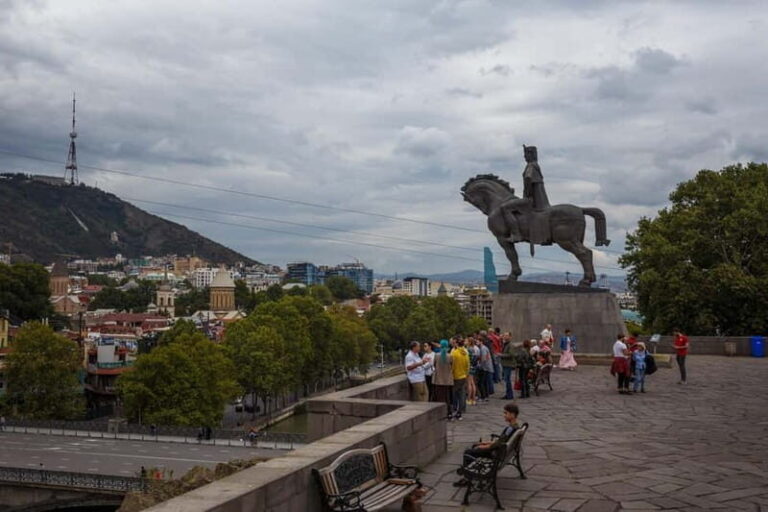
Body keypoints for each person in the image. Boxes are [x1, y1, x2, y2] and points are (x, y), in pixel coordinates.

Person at [454, 403, 521, 487]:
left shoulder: (510, 429)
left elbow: (499, 444)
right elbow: (501, 441)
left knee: (468, 452)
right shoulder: (515, 427)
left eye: (505, 413)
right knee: (475, 447)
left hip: (495, 455)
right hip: (501, 454)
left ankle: (468, 477)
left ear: (512, 414)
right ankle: (468, 475)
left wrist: (484, 446)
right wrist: (485, 443)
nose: (504, 415)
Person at [432, 339, 454, 419]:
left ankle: (440, 413)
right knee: (447, 397)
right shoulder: (450, 356)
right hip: (447, 379)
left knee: (439, 397)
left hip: (438, 379)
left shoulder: (437, 355)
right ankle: (449, 413)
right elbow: (452, 366)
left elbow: (434, 365)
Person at [450, 337, 469, 420]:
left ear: (457, 344)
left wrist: (451, 373)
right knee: (461, 395)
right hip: (463, 376)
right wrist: (466, 374)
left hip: (455, 376)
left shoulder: (454, 353)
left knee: (453, 394)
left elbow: (452, 365)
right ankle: (459, 413)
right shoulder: (465, 353)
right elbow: (467, 365)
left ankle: (453, 410)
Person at [500, 334, 517, 399]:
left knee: (507, 380)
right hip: (505, 364)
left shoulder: (510, 345)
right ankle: (508, 394)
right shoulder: (505, 344)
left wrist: (501, 355)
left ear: (510, 337)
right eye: (504, 335)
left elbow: (511, 354)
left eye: (506, 335)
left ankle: (510, 395)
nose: (505, 336)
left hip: (508, 364)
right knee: (506, 379)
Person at [478, 337, 494, 402]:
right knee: (484, 382)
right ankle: (486, 395)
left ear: (481, 341)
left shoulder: (483, 348)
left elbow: (484, 358)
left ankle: (483, 396)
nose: (476, 343)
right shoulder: (484, 348)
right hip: (486, 367)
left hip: (485, 367)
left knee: (482, 382)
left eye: (477, 341)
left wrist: (480, 365)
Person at [466, 337, 479, 406]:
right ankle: (473, 399)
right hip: (473, 366)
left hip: (469, 367)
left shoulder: (468, 349)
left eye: (466, 341)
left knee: (469, 383)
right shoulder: (473, 349)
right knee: (473, 383)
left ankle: (469, 399)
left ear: (469, 342)